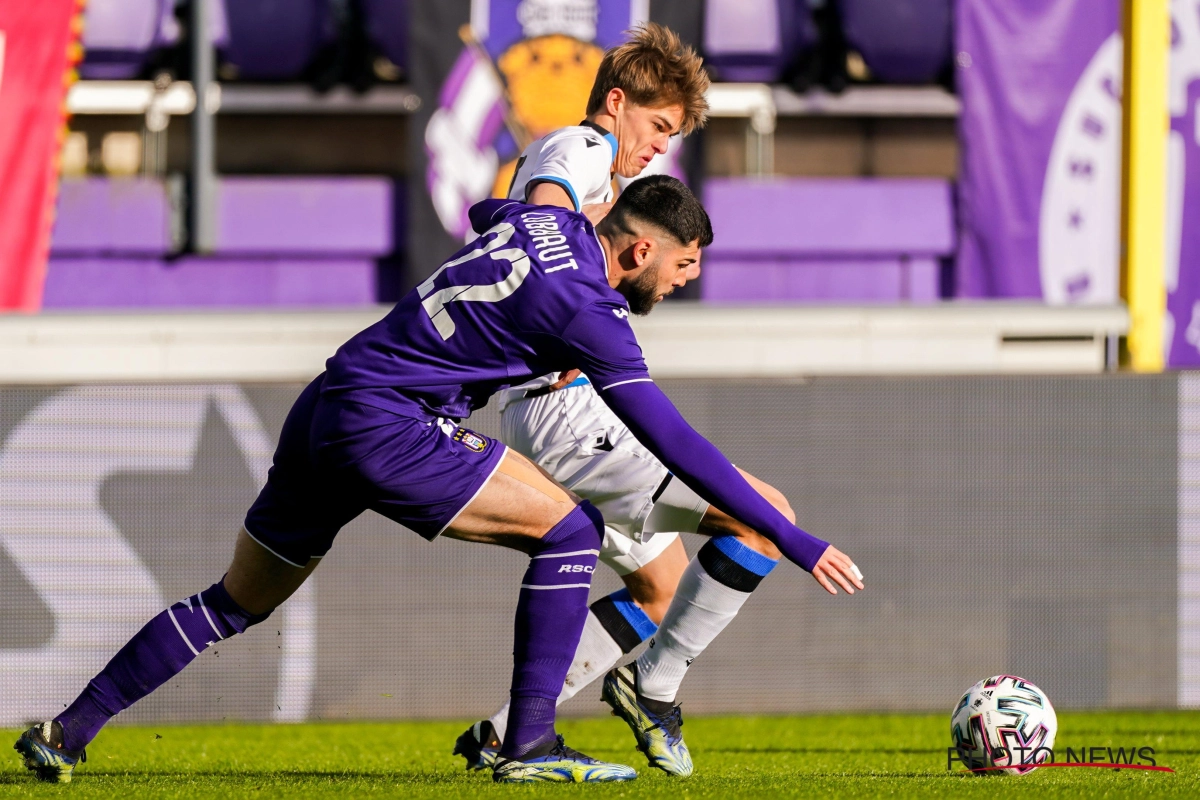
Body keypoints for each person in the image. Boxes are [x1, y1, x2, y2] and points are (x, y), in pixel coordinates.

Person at [13, 176, 859, 785]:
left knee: (237, 600)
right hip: (393, 421)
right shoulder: (588, 309)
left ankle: (67, 731)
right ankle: (528, 747)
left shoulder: (540, 221)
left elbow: (487, 209)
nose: (682, 283)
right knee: (567, 530)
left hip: (330, 400)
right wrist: (794, 536)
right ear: (640, 249)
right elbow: (673, 441)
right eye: (680, 270)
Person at [453, 24, 865, 779]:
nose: (659, 147)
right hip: (563, 409)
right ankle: (656, 685)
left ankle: (507, 736)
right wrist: (568, 306)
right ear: (617, 103)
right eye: (659, 127)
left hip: (539, 402)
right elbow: (545, 219)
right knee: (764, 516)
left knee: (662, 587)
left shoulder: (598, 175)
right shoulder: (580, 150)